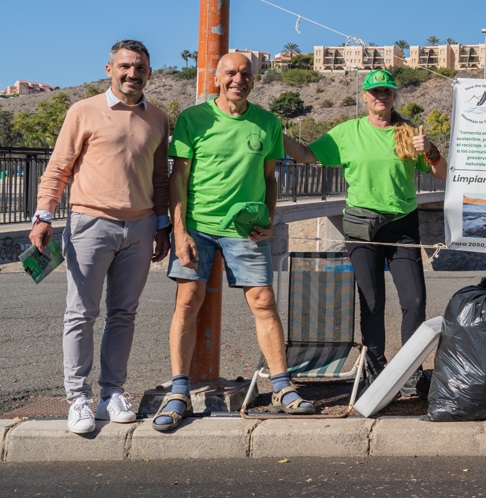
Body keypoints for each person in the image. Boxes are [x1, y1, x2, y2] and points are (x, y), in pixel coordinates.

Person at [154, 53, 314, 431]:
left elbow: (270, 178)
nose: (237, 79)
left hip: (245, 229)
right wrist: (179, 232)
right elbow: (178, 179)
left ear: (254, 81)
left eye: (245, 73)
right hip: (198, 225)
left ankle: (281, 386)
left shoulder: (267, 123)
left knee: (264, 301)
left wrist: (269, 219)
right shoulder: (194, 119)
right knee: (188, 300)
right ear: (216, 78)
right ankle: (179, 390)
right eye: (230, 72)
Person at [30, 40, 171, 434]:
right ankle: (78, 398)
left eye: (140, 68)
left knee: (124, 314)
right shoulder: (83, 111)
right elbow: (59, 167)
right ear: (109, 68)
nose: (132, 73)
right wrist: (44, 215)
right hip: (90, 224)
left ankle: (112, 393)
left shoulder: (158, 118)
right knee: (81, 313)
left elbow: (160, 179)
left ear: (148, 73)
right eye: (124, 66)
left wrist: (162, 225)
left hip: (141, 227)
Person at [282, 69, 447, 396]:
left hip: (402, 226)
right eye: (374, 92)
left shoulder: (410, 133)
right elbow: (304, 155)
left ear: (393, 96)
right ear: (364, 97)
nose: (379, 97)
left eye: (386, 92)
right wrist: (275, 130)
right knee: (372, 302)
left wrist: (429, 149)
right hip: (361, 226)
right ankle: (376, 371)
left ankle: (409, 371)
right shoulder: (347, 132)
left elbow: (442, 174)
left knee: (414, 300)